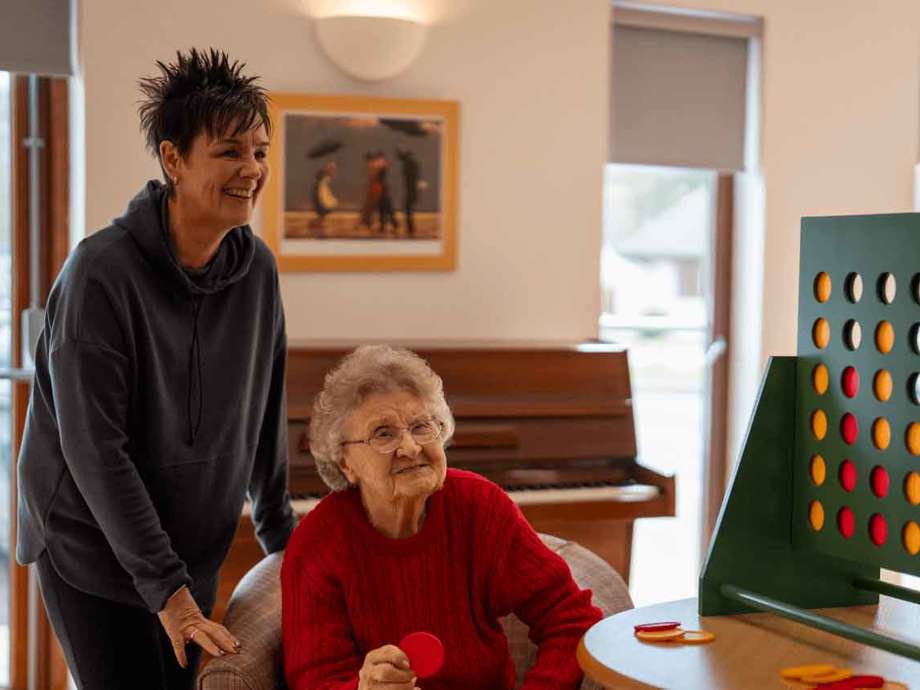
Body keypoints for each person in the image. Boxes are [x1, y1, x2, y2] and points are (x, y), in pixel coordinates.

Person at [16, 48, 296, 689]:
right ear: (173, 159)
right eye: (230, 151)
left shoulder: (257, 272)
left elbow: (265, 405)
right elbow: (95, 453)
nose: (252, 169)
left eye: (259, 150)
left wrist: (283, 535)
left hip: (190, 543)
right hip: (90, 544)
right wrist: (168, 595)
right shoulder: (99, 275)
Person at [281, 345, 602, 690]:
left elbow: (570, 618)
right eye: (384, 434)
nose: (411, 447)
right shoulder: (317, 543)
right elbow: (314, 680)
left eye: (421, 426)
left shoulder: (479, 507)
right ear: (346, 464)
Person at [396, 146, 420, 236]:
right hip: (412, 190)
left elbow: (408, 180)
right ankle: (410, 228)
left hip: (410, 191)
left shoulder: (407, 164)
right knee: (408, 210)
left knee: (408, 210)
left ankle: (410, 229)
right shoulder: (413, 163)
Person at [310, 160, 338, 233]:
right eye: (332, 169)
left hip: (319, 200)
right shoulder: (324, 179)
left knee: (324, 212)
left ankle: (318, 222)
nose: (334, 172)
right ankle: (318, 223)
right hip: (320, 201)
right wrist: (330, 200)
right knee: (326, 208)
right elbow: (322, 192)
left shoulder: (323, 179)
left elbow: (324, 191)